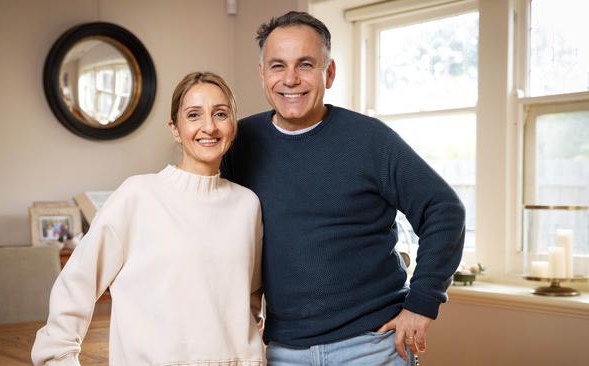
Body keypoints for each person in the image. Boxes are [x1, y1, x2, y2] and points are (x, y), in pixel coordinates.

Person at [220, 11, 465, 366]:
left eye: (305, 64)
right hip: (283, 350)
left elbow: (444, 210)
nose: (290, 79)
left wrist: (422, 302)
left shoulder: (370, 140)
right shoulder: (240, 144)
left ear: (329, 72)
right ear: (262, 74)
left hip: (372, 346)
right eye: (277, 66)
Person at [32, 72, 265, 366]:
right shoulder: (138, 195)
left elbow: (249, 302)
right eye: (194, 115)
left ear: (233, 124)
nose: (209, 126)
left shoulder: (247, 205)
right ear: (175, 129)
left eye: (220, 114)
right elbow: (76, 284)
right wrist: (57, 358)